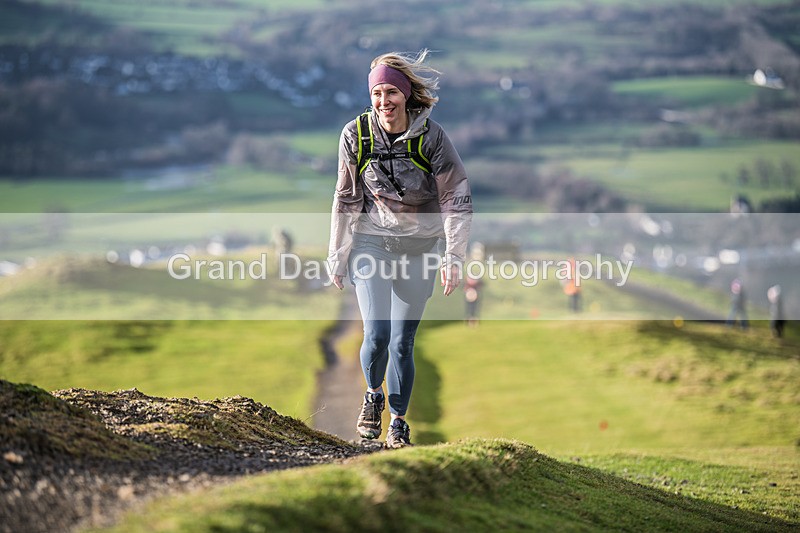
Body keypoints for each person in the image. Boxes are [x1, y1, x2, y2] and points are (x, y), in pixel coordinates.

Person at [327, 50, 472, 448]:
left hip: (420, 247)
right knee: (376, 334)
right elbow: (346, 198)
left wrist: (453, 256)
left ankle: (399, 422)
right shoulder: (355, 135)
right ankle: (373, 397)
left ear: (406, 95)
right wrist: (338, 255)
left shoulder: (432, 138)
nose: (383, 101)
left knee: (402, 342)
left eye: (391, 92)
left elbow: (456, 198)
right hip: (371, 242)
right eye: (376, 93)